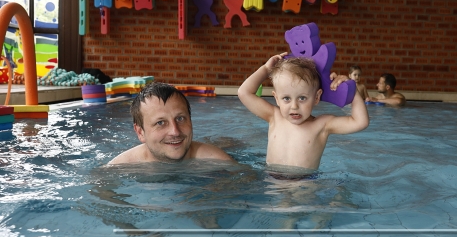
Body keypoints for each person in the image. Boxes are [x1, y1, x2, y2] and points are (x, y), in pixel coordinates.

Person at [238, 52, 369, 171]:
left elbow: (360, 122)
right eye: (286, 98)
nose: (294, 106)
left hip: (304, 183)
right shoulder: (274, 117)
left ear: (316, 97)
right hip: (271, 179)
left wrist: (352, 89)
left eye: (302, 98)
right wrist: (266, 69)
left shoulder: (322, 125)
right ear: (277, 98)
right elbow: (244, 92)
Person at [107, 82, 233, 164]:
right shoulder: (119, 168)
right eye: (160, 123)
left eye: (180, 119)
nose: (175, 132)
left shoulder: (218, 161)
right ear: (140, 132)